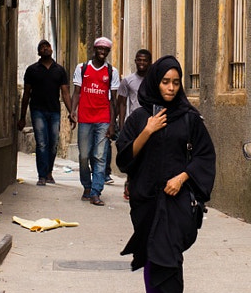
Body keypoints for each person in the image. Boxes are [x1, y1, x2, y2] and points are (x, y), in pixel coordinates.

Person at [114, 57, 216, 293]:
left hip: (177, 200)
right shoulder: (139, 118)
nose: (171, 88)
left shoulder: (188, 118)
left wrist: (183, 177)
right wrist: (148, 130)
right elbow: (124, 159)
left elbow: (205, 156)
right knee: (150, 256)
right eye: (165, 82)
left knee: (169, 256)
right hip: (145, 200)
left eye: (175, 82)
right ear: (155, 82)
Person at [69, 36, 117, 206]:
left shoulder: (112, 72)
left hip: (103, 119)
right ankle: (87, 187)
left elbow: (113, 100)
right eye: (100, 49)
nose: (102, 52)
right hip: (85, 118)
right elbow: (77, 92)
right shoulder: (82, 68)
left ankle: (96, 192)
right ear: (94, 50)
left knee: (100, 156)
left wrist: (112, 124)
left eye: (106, 50)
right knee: (84, 156)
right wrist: (72, 112)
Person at [19, 40, 71, 185]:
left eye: (47, 46)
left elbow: (65, 93)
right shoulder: (32, 70)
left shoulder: (59, 70)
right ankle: (42, 175)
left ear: (51, 50)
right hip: (37, 111)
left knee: (53, 143)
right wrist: (22, 117)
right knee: (42, 143)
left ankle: (49, 172)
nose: (45, 48)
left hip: (54, 111)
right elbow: (26, 94)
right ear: (38, 52)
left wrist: (71, 112)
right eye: (42, 47)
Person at [113, 49, 153, 194]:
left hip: (150, 123)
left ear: (150, 62)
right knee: (133, 154)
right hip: (134, 124)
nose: (142, 63)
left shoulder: (154, 81)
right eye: (139, 60)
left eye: (145, 60)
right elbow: (121, 104)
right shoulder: (127, 81)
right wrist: (122, 125)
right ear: (135, 61)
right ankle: (130, 181)